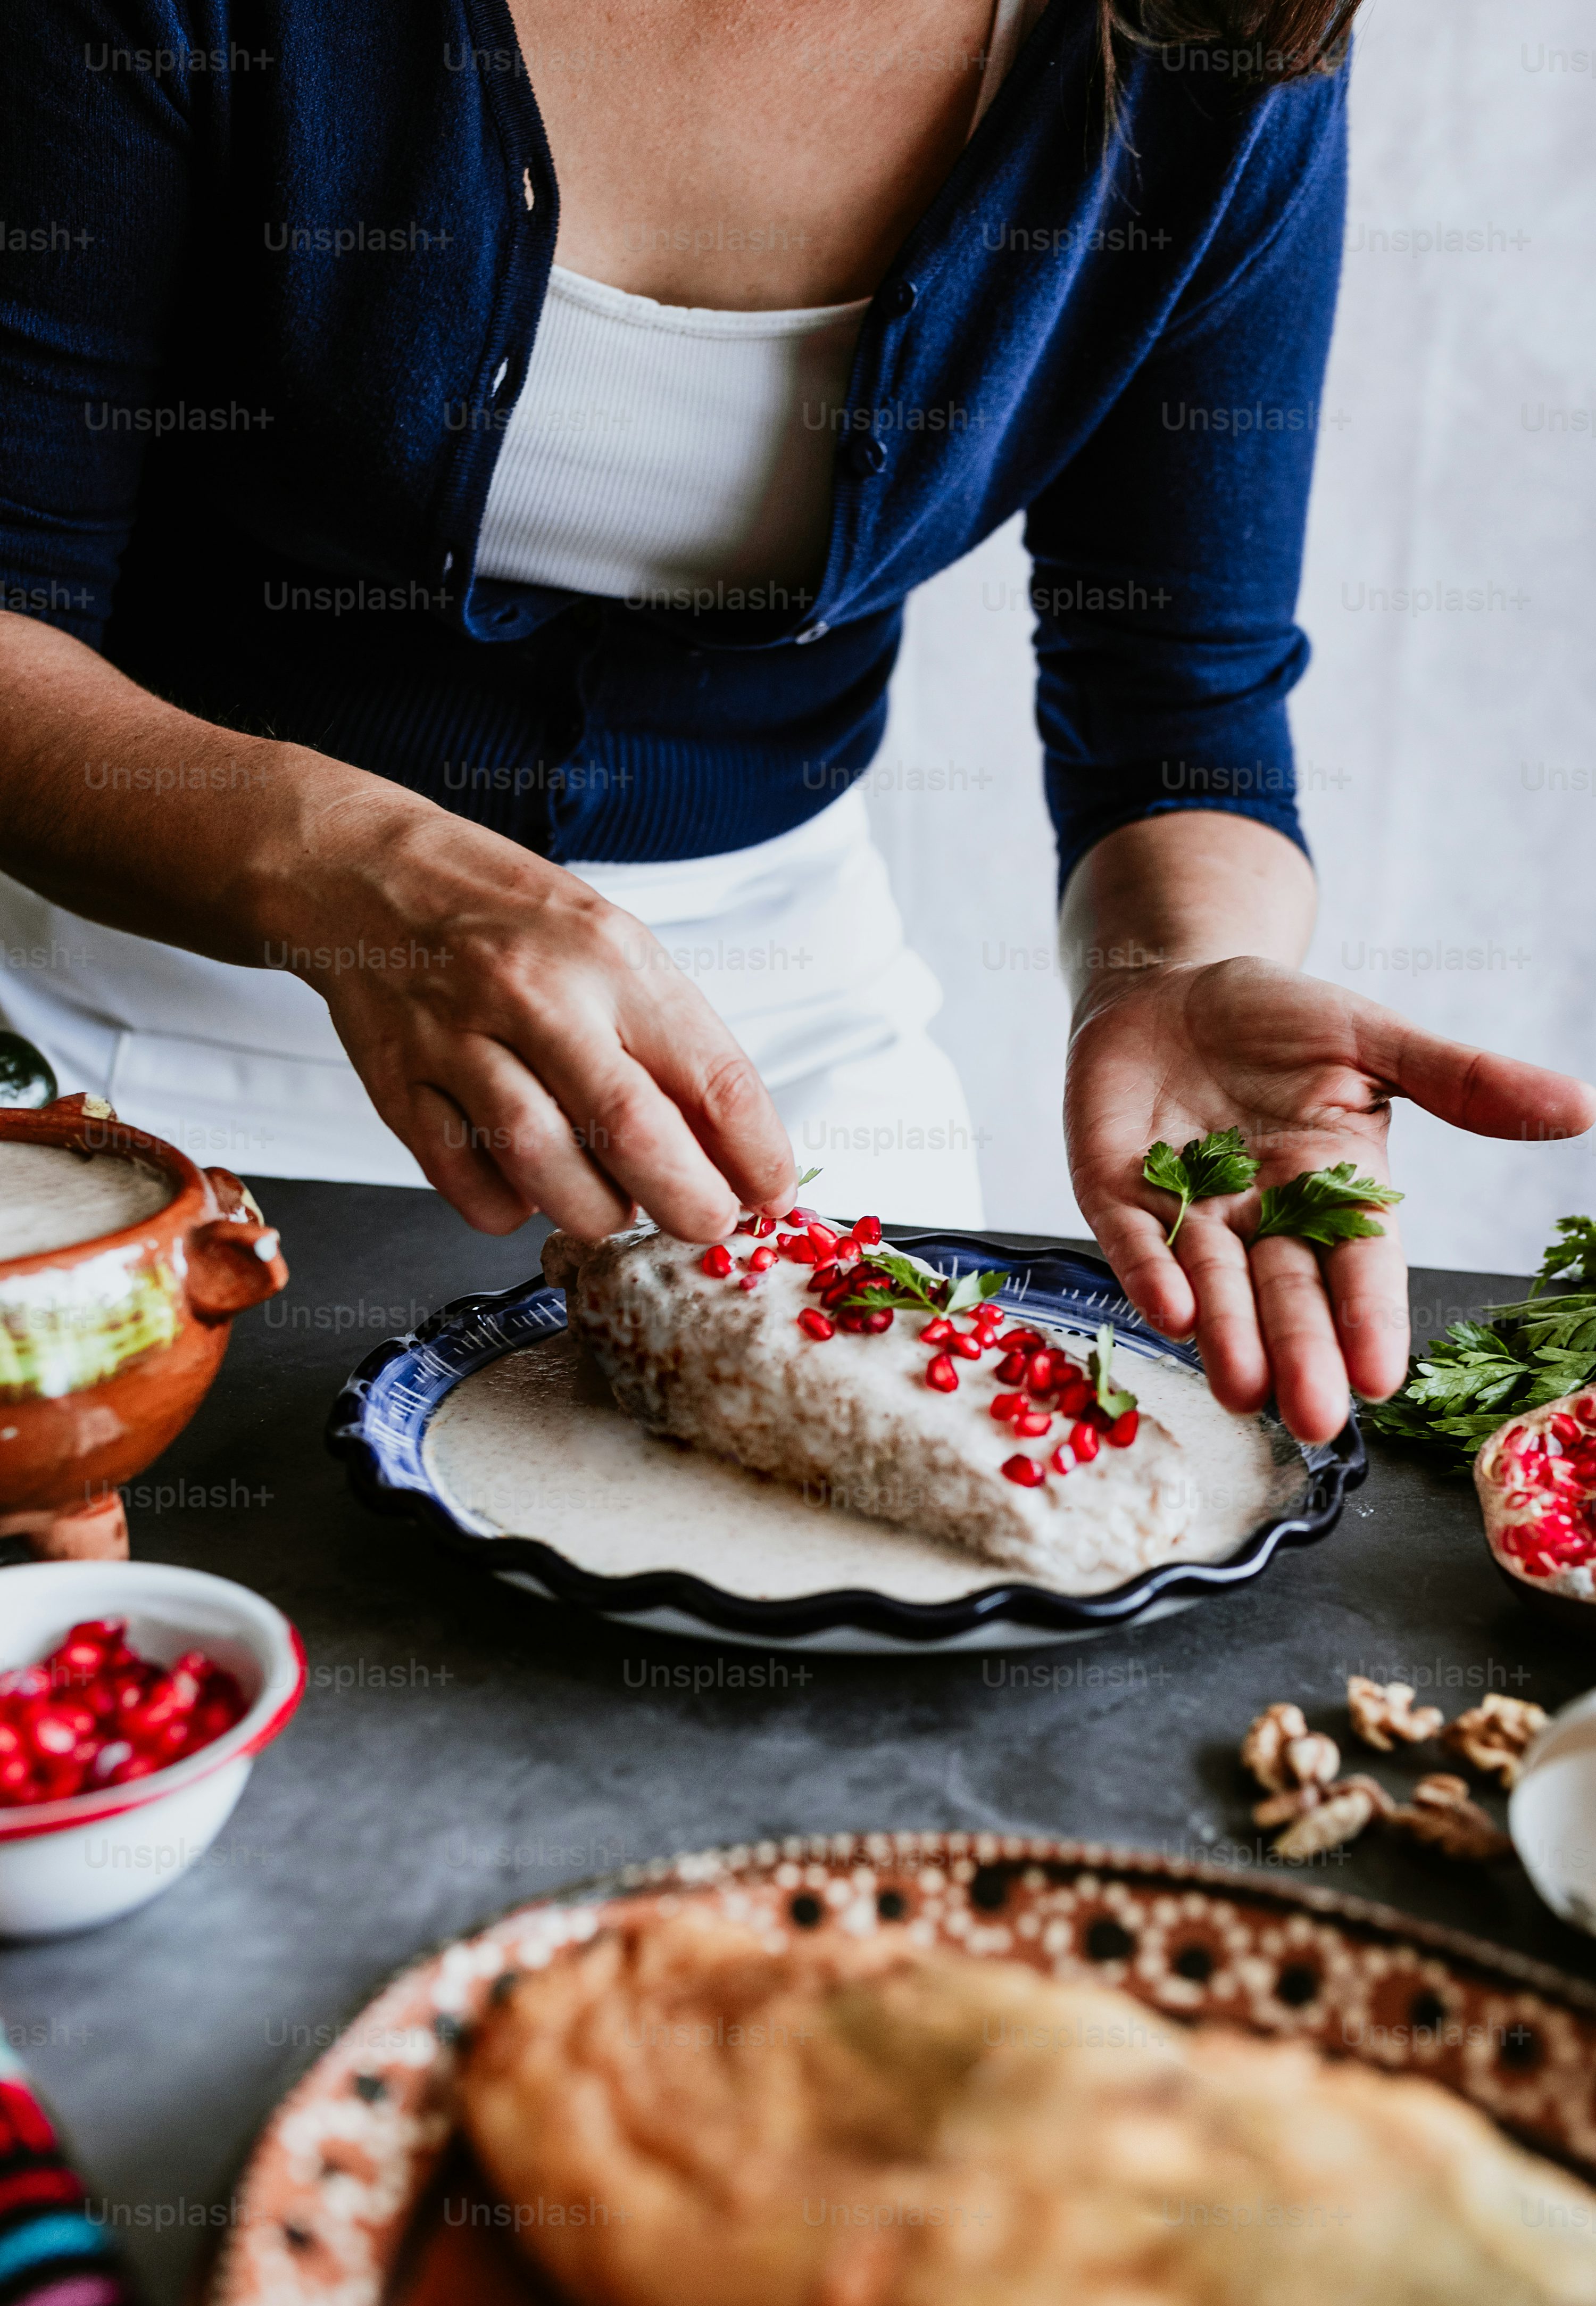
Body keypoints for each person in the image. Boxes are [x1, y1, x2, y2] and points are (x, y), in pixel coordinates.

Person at [0, 0, 1588, 1448]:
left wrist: (1176, 970)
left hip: (777, 1079)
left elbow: (1180, 697)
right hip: (120, 1050)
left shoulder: (1213, 33)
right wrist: (351, 866)